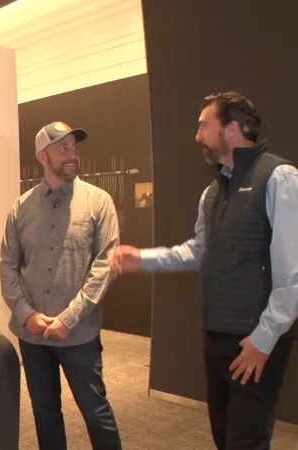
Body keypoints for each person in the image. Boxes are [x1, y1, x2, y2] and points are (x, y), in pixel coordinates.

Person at [109, 91, 298, 450]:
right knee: (224, 437)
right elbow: (197, 252)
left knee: (247, 441)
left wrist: (263, 339)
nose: (197, 136)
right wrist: (143, 259)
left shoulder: (280, 178)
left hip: (253, 341)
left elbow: (293, 274)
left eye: (203, 126)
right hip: (216, 338)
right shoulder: (211, 193)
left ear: (231, 129)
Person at [0, 121, 122, 450]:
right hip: (33, 335)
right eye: (62, 148)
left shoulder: (98, 202)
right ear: (43, 156)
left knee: (96, 413)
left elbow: (105, 265)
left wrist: (69, 318)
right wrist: (27, 315)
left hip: (79, 334)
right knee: (45, 413)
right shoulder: (21, 208)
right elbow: (8, 266)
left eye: (75, 148)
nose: (72, 155)